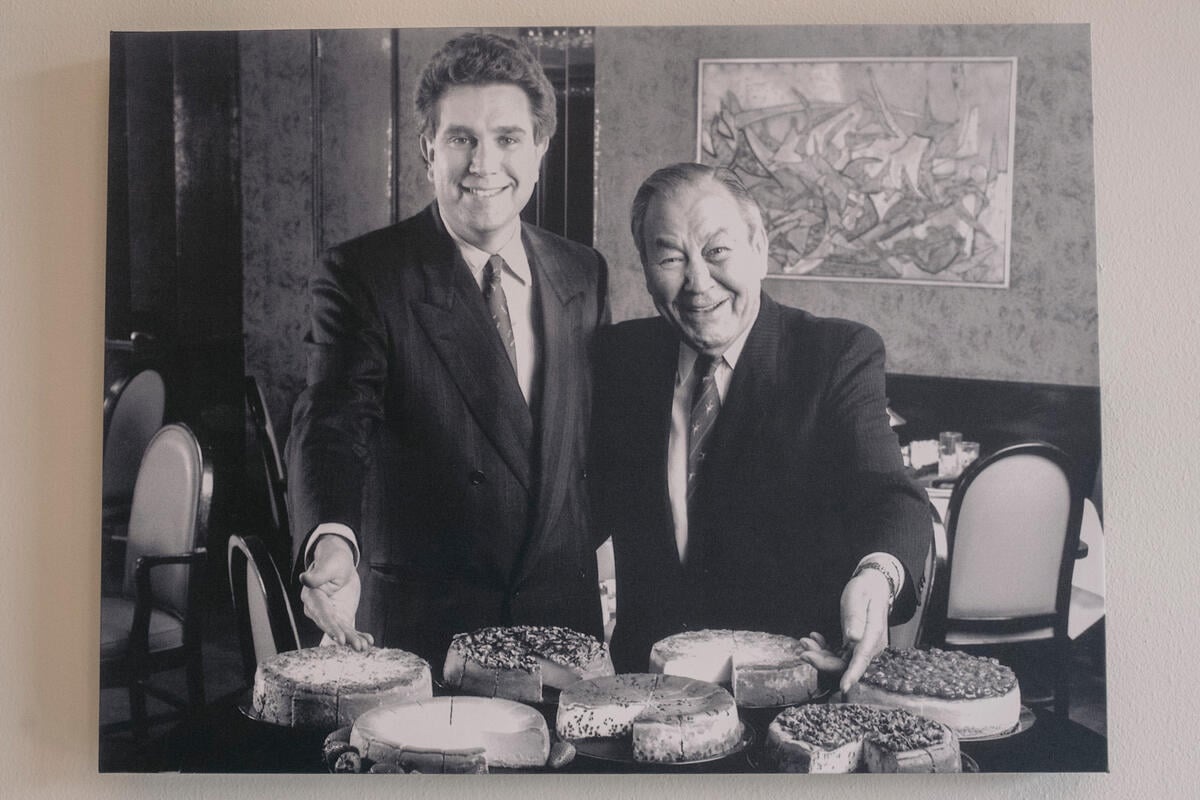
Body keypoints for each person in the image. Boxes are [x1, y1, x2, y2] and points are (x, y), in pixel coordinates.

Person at [286, 33, 609, 667]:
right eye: (461, 138)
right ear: (428, 149)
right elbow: (331, 423)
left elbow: (586, 446)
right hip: (429, 625)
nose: (484, 165)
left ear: (540, 149)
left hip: (562, 623)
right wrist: (332, 542)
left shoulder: (583, 272)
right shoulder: (363, 274)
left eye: (508, 138)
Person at [591, 163, 932, 691]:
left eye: (717, 251)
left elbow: (890, 496)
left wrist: (876, 576)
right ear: (644, 267)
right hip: (644, 693)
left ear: (760, 250)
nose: (698, 282)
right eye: (671, 257)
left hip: (786, 692)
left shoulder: (834, 355)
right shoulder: (617, 359)